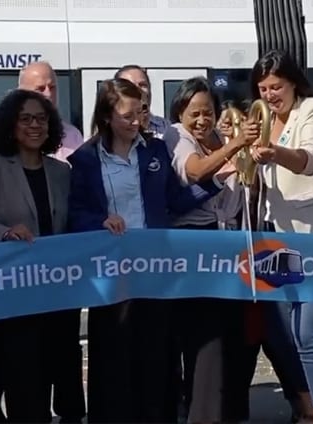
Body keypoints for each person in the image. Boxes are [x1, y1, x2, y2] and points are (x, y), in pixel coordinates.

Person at [67, 78, 228, 423]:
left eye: (140, 113)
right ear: (107, 116)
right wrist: (100, 221)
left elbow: (174, 201)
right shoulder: (85, 158)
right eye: (127, 116)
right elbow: (76, 212)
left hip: (154, 268)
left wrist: (215, 182)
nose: (136, 121)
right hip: (111, 272)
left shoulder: (154, 150)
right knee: (114, 356)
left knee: (156, 355)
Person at [248, 50, 313, 424]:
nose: (270, 95)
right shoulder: (261, 119)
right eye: (263, 89)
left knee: (308, 331)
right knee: (293, 333)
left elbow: (312, 158)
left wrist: (274, 152)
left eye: (276, 87)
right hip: (279, 242)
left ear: (294, 83)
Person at [0, 89, 79, 423]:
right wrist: (5, 233)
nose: (35, 125)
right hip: (16, 293)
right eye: (26, 118)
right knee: (25, 380)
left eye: (41, 119)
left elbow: (73, 224)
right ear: (10, 125)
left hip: (59, 291)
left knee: (61, 368)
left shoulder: (62, 171)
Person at [163, 77, 257, 424]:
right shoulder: (177, 136)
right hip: (195, 245)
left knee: (235, 336)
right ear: (180, 113)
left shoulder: (221, 137)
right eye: (195, 114)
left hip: (230, 242)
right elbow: (195, 171)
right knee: (206, 338)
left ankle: (231, 412)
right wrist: (237, 145)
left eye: (208, 113)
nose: (202, 120)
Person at [19, 61, 85, 164]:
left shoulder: (72, 135)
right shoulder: (10, 136)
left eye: (52, 87)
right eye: (40, 89)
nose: (48, 94)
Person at [115, 65, 169, 138]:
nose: (138, 90)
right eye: (130, 86)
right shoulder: (110, 128)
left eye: (142, 85)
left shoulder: (167, 128)